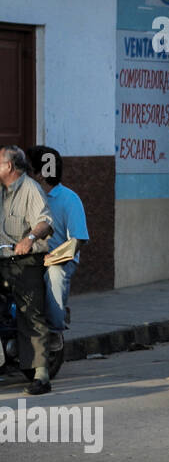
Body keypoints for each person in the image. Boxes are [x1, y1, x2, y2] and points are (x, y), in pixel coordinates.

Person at [0, 146, 55, 395]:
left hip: (26, 260)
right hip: (1, 260)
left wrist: (29, 238)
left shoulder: (30, 189)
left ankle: (41, 374)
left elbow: (44, 222)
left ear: (9, 166)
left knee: (30, 311)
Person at [28, 145, 89, 357]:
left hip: (59, 259)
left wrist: (53, 257)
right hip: (27, 258)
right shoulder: (24, 197)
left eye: (29, 170)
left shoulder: (69, 199)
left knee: (54, 276)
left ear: (41, 174)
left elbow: (78, 238)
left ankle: (54, 329)